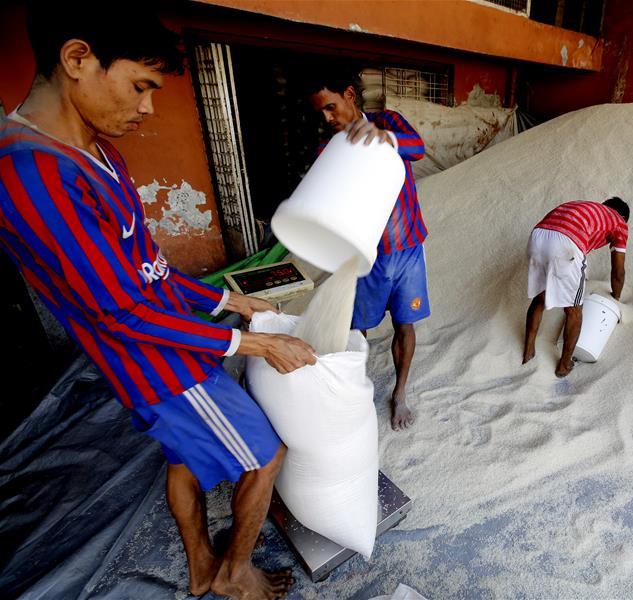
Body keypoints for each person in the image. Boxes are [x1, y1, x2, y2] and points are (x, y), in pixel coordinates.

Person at [0, 3, 316, 598]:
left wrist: (231, 302)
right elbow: (117, 309)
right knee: (264, 456)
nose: (147, 108)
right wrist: (254, 342)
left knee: (181, 458)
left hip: (168, 338)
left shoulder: (96, 151)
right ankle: (234, 573)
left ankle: (201, 567)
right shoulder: (31, 174)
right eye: (140, 85)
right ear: (77, 59)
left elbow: (150, 271)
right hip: (158, 363)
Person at [305, 69, 429, 431]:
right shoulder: (328, 148)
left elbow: (418, 149)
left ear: (349, 94)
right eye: (320, 114)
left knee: (405, 324)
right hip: (368, 255)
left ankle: (399, 394)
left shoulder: (386, 121)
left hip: (408, 247)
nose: (328, 119)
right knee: (356, 329)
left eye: (330, 107)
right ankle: (352, 395)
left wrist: (378, 137)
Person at [522, 198, 629, 377]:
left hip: (537, 237)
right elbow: (618, 271)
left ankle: (528, 352)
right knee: (574, 309)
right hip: (567, 243)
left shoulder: (585, 207)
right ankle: (564, 365)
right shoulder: (619, 222)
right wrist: (616, 297)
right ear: (623, 216)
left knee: (540, 296)